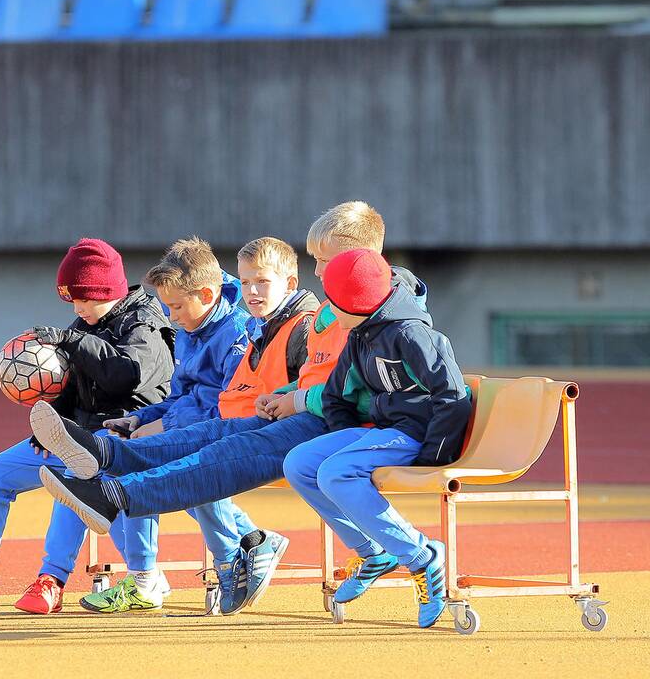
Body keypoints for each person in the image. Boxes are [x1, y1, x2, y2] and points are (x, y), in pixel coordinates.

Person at [34, 203, 417, 615]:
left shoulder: (349, 319)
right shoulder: (322, 315)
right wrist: (149, 417)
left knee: (215, 452)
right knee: (209, 439)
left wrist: (295, 398)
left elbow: (359, 389)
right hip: (293, 419)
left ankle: (127, 504)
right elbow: (322, 377)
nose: (319, 272)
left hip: (327, 429)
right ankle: (107, 456)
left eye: (325, 262)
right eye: (318, 262)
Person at [0, 238, 174, 613]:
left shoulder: (144, 324)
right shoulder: (87, 321)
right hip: (78, 436)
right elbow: (71, 383)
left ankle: (52, 580)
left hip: (120, 440)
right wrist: (50, 425)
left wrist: (74, 340)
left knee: (71, 474)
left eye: (86, 299)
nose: (79, 308)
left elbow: (124, 377)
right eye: (73, 301)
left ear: (110, 291)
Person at [282, 248, 471, 629]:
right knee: (299, 464)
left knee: (336, 473)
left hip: (417, 434)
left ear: (358, 303)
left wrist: (433, 455)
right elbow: (335, 395)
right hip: (385, 431)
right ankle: (374, 553)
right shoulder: (361, 332)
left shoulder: (411, 334)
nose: (331, 313)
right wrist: (345, 435)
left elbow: (453, 395)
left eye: (336, 305)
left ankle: (422, 557)